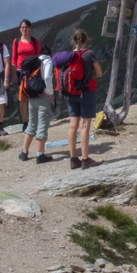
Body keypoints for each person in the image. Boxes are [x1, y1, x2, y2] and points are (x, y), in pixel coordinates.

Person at [53, 29, 102, 169]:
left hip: (71, 93)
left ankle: (73, 159)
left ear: (73, 41)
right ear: (86, 40)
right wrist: (91, 74)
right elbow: (99, 73)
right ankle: (86, 159)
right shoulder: (89, 54)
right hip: (86, 93)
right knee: (85, 126)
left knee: (73, 126)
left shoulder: (69, 57)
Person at [18, 48, 55, 164]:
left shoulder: (34, 62)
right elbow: (48, 77)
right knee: (43, 124)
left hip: (31, 97)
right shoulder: (47, 61)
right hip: (43, 96)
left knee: (32, 124)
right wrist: (51, 93)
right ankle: (40, 154)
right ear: (49, 54)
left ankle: (24, 152)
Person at [10, 20, 41, 128]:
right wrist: (13, 74)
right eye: (22, 27)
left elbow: (38, 56)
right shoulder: (16, 41)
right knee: (23, 97)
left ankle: (34, 120)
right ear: (20, 29)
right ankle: (25, 122)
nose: (24, 29)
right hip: (20, 71)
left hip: (33, 71)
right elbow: (14, 58)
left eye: (26, 27)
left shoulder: (35, 41)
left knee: (35, 94)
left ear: (30, 28)